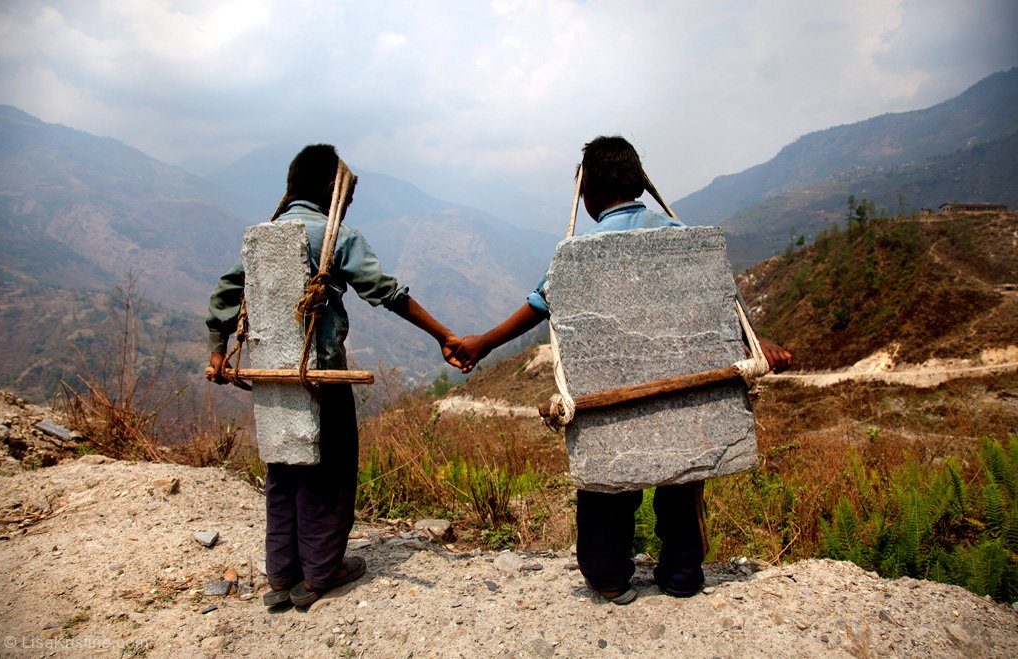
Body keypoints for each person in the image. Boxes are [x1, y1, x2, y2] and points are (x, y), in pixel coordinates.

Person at [450, 136, 792, 605]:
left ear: (586, 195)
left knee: (606, 489)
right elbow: (719, 302)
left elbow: (538, 305)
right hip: (678, 394)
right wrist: (757, 336)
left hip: (608, 402)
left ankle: (610, 578)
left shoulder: (574, 255)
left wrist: (483, 344)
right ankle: (682, 575)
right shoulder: (680, 237)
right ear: (641, 184)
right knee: (681, 478)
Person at [206, 144, 462, 609]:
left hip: (271, 375)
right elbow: (385, 291)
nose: (347, 205)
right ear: (331, 187)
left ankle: (283, 575)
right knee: (329, 468)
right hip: (322, 375)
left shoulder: (263, 236)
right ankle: (322, 573)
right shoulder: (333, 235)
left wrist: (217, 351)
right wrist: (443, 335)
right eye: (346, 195)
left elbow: (226, 291)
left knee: (283, 469)